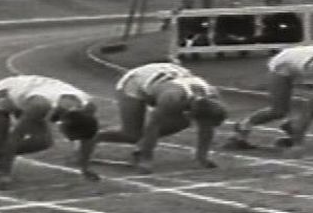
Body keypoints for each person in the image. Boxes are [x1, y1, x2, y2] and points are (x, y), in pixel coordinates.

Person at [0, 75, 100, 189]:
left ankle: (1, 158)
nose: (68, 140)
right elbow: (16, 136)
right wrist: (5, 175)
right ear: (65, 122)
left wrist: (85, 167)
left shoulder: (88, 107)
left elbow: (89, 137)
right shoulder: (40, 106)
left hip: (30, 93)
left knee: (43, 141)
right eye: (69, 136)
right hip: (1, 95)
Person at [96, 63, 226, 173]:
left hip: (166, 78)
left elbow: (207, 127)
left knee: (182, 123)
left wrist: (202, 157)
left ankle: (141, 147)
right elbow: (153, 126)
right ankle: (94, 137)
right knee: (131, 134)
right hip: (135, 82)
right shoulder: (172, 99)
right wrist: (146, 159)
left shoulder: (212, 95)